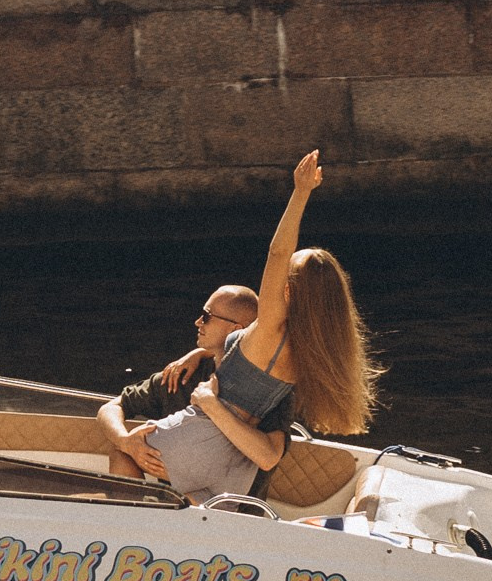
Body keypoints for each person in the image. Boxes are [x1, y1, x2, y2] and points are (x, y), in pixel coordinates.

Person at [103, 151, 379, 498]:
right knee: (193, 507)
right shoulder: (311, 351)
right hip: (234, 466)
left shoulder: (272, 330)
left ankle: (131, 544)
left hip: (202, 434)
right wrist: (199, 353)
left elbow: (277, 252)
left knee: (125, 449)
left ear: (290, 289)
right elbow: (245, 361)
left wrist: (301, 192)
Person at [98, 283, 257, 481]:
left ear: (235, 329)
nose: (198, 322)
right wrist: (126, 441)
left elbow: (269, 455)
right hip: (170, 501)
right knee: (120, 453)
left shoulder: (264, 386)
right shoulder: (182, 375)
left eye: (207, 316)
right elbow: (112, 407)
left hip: (231, 505)